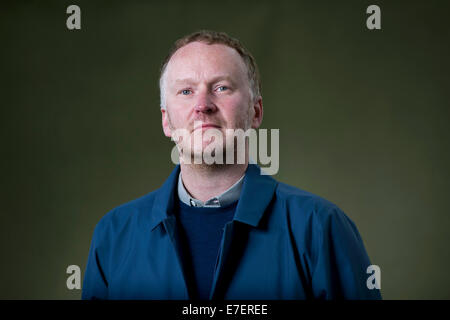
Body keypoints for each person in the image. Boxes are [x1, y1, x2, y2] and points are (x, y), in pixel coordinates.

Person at [82, 30, 382, 300]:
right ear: (166, 120)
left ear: (255, 111)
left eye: (221, 88)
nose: (202, 105)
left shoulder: (320, 227)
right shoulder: (113, 234)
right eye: (186, 91)